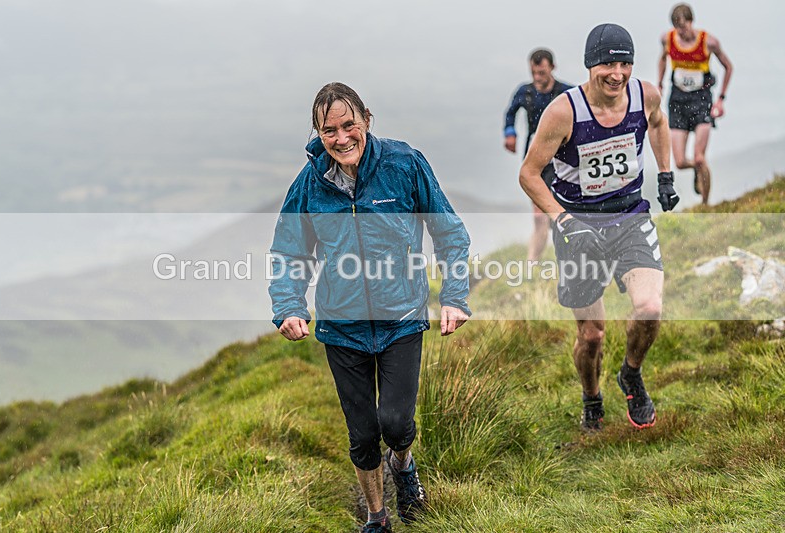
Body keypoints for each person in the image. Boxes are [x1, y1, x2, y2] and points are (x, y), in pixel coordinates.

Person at [268, 82, 471, 533]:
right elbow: (289, 251)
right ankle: (377, 516)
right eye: (329, 131)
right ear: (317, 134)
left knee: (396, 423)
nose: (341, 138)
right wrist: (288, 305)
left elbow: (450, 233)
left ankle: (403, 464)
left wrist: (454, 296)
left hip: (401, 318)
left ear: (366, 119)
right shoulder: (309, 185)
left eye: (348, 125)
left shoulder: (404, 164)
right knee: (361, 436)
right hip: (343, 329)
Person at [519, 24, 680, 432]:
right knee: (591, 335)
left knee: (650, 309)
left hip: (630, 216)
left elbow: (658, 123)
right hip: (580, 227)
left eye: (625, 63)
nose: (617, 73)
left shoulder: (645, 95)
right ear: (591, 64)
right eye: (608, 63)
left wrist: (665, 175)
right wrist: (565, 221)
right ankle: (592, 397)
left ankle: (631, 373)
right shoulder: (563, 112)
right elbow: (529, 175)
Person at [658, 3, 733, 205]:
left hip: (701, 99)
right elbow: (662, 59)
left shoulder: (709, 42)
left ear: (691, 22)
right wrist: (660, 84)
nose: (681, 33)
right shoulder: (668, 39)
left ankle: (705, 204)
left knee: (700, 157)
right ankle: (697, 171)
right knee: (681, 162)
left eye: (683, 27)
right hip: (678, 100)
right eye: (677, 28)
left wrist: (721, 100)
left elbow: (728, 67)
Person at [504, 49, 573, 262]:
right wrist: (510, 134)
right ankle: (532, 262)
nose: (537, 78)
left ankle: (567, 253)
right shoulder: (524, 92)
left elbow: (583, 107)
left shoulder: (566, 92)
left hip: (562, 157)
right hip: (535, 157)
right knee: (539, 215)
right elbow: (510, 113)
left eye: (541, 73)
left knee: (560, 206)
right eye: (534, 73)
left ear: (552, 68)